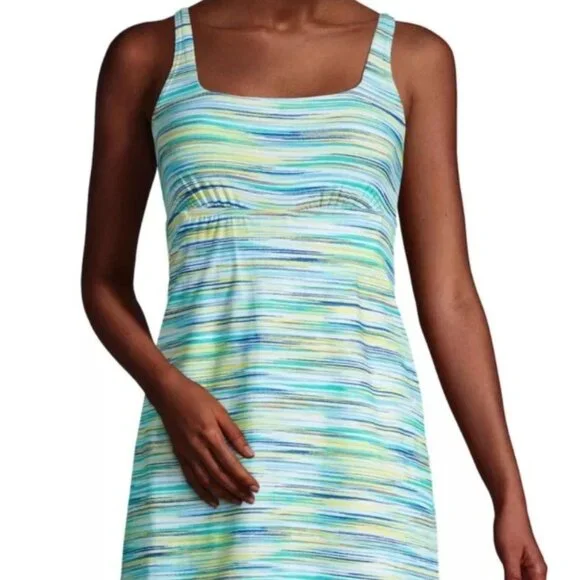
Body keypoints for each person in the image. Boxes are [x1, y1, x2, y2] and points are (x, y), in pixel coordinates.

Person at [81, 1, 548, 578]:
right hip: (202, 458)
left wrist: (507, 492)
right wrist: (167, 389)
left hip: (361, 462)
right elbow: (102, 282)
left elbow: (450, 296)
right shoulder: (147, 56)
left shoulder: (414, 60)